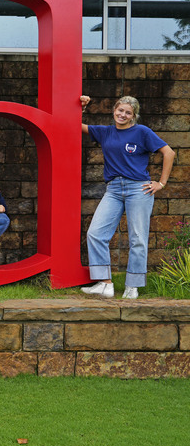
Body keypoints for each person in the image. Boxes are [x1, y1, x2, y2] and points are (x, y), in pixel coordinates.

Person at [80, 95, 175, 299]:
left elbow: (169, 153)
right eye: (120, 110)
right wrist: (81, 107)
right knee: (95, 233)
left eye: (128, 113)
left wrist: (161, 183)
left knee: (138, 238)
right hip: (113, 190)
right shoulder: (105, 132)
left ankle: (133, 286)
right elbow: (74, 126)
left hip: (138, 189)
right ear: (114, 110)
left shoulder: (141, 132)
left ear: (133, 116)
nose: (122, 115)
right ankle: (105, 284)